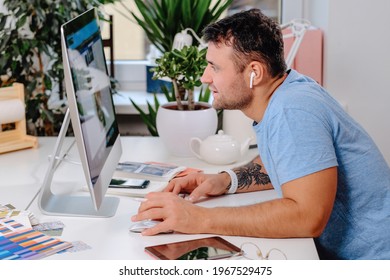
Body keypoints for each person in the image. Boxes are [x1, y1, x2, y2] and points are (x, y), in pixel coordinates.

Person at [131, 9, 390, 260]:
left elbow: (306, 217)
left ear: (255, 72)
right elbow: (291, 162)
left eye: (215, 67)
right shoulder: (289, 91)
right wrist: (224, 180)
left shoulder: (292, 110)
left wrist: (197, 218)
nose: (204, 77)